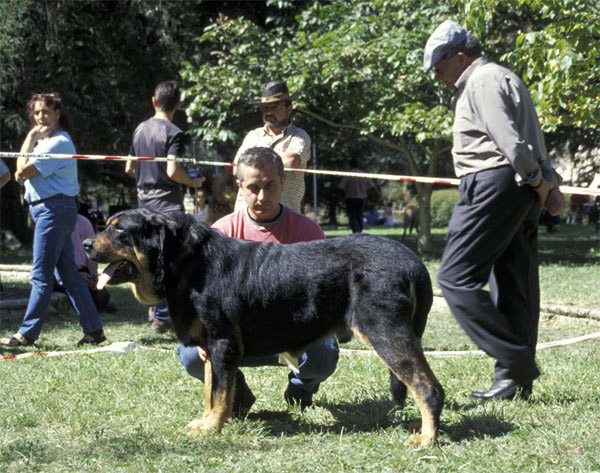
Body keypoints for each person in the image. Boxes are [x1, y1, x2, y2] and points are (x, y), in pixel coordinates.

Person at [423, 20, 566, 401]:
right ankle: (513, 379)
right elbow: (531, 137)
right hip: (519, 187)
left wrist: (538, 181)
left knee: (455, 278)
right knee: (514, 280)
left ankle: (515, 359)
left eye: (439, 68)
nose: (438, 78)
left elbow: (511, 142)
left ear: (459, 56)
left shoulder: (482, 80)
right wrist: (545, 183)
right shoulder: (504, 77)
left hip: (493, 182)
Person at [177, 147, 339, 414]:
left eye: (270, 185)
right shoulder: (221, 233)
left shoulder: (309, 232)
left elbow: (324, 298)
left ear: (284, 182)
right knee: (190, 354)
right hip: (237, 338)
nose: (262, 196)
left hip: (293, 335)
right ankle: (236, 391)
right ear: (240, 187)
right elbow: (202, 298)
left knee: (324, 353)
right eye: (253, 187)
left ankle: (302, 387)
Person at [0, 93, 105, 347]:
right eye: (36, 113)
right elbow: (20, 174)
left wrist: (28, 138)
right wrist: (33, 141)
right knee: (69, 275)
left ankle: (27, 334)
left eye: (46, 112)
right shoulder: (46, 142)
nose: (40, 118)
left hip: (53, 211)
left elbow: (20, 173)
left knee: (40, 275)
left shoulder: (57, 143)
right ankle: (94, 330)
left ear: (58, 113)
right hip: (51, 210)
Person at [125, 80, 204, 333]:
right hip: (167, 203)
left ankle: (154, 310)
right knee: (172, 259)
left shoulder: (139, 130)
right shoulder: (174, 133)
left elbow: (129, 167)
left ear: (153, 101)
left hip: (143, 202)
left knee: (148, 257)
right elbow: (172, 171)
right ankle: (162, 316)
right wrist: (194, 180)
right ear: (178, 105)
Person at [233, 80, 311, 213]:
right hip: (246, 215)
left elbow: (290, 162)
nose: (268, 112)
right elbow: (237, 168)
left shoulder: (299, 136)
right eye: (265, 108)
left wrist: (252, 160)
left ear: (289, 109)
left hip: (284, 216)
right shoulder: (253, 135)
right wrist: (277, 158)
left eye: (274, 107)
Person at [54, 214, 116, 312]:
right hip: (60, 272)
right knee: (81, 290)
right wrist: (75, 274)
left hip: (82, 270)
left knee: (102, 295)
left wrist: (93, 275)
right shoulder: (53, 221)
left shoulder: (83, 222)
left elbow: (91, 253)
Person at [338, 169, 378, 233]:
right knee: (359, 216)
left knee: (353, 215)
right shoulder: (363, 174)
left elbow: (341, 187)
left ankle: (356, 231)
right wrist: (378, 194)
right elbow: (372, 186)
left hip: (351, 199)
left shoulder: (349, 175)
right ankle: (359, 230)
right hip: (361, 199)